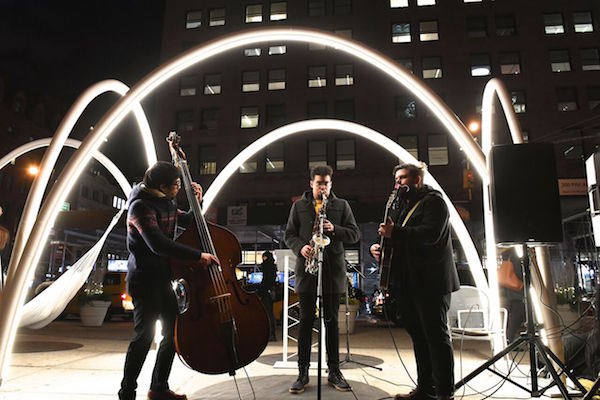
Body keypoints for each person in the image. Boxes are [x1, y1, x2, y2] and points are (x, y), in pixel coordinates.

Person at [119, 161, 220, 400]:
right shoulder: (140, 207)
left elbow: (189, 222)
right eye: (176, 185)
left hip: (164, 278)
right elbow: (158, 244)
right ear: (162, 186)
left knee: (173, 335)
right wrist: (197, 256)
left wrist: (198, 202)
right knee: (143, 337)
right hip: (144, 280)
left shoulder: (165, 201)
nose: (179, 189)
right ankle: (127, 393)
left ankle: (159, 388)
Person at [370, 163, 459, 400]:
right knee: (419, 337)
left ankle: (444, 393)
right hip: (409, 283)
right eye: (396, 179)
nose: (398, 184)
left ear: (417, 180)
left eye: (403, 178)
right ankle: (425, 388)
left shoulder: (434, 202)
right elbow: (398, 237)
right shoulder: (404, 207)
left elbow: (430, 234)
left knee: (436, 337)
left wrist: (395, 233)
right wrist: (381, 249)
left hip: (431, 282)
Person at [285, 165, 360, 394]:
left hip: (332, 272)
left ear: (331, 184)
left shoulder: (342, 205)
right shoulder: (299, 206)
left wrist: (334, 228)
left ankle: (334, 371)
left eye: (326, 183)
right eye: (319, 183)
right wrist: (302, 247)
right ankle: (302, 372)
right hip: (307, 271)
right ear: (311, 184)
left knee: (331, 323)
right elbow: (289, 234)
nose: (322, 186)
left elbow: (354, 234)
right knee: (306, 322)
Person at [497, 249, 525, 343]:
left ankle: (507, 338)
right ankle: (509, 338)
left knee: (508, 316)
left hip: (503, 288)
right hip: (513, 290)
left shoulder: (503, 251)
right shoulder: (515, 252)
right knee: (517, 313)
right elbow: (518, 271)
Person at [258, 250, 277, 341]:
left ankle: (271, 334)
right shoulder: (273, 266)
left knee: (267, 313)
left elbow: (265, 280)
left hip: (266, 292)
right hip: (271, 291)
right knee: (270, 312)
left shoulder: (266, 267)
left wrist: (261, 292)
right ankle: (272, 333)